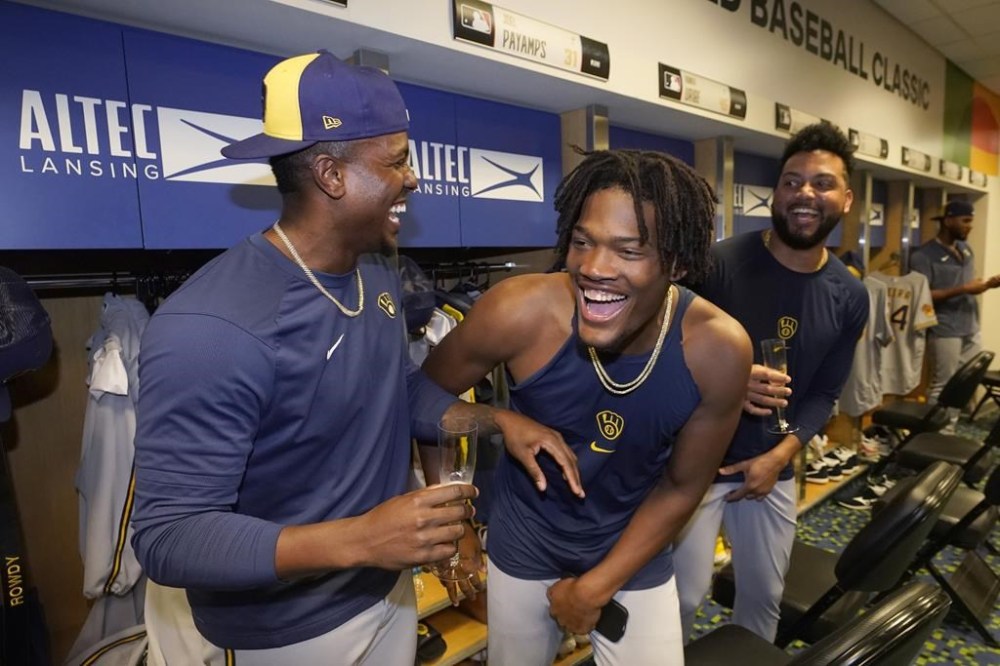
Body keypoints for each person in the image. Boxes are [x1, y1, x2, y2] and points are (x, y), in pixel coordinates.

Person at [130, 50, 581, 664]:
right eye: (396, 160)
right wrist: (364, 538)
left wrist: (497, 420)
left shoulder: (377, 273)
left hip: (384, 591)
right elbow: (170, 538)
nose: (414, 179)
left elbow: (394, 391)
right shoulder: (211, 326)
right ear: (331, 174)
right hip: (281, 633)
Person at [422, 148, 753, 664]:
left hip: (631, 549)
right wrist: (455, 522)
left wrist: (596, 588)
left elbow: (683, 485)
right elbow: (424, 399)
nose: (594, 268)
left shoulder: (718, 348)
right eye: (582, 242)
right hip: (524, 544)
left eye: (629, 250)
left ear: (678, 263)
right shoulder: (518, 309)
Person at [673, 122, 869, 643]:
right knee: (683, 598)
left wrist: (780, 457)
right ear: (777, 191)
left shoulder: (849, 296)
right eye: (792, 181)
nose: (805, 193)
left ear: (845, 199)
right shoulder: (716, 265)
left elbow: (825, 392)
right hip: (693, 465)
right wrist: (730, 379)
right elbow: (658, 354)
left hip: (770, 470)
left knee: (763, 600)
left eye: (822, 183)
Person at [910, 200, 1000, 430]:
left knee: (965, 383)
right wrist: (964, 289)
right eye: (966, 221)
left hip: (970, 325)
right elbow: (922, 295)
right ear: (948, 220)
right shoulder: (924, 255)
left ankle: (950, 429)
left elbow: (968, 283)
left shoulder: (965, 249)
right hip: (945, 328)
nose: (970, 226)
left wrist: (988, 284)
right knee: (943, 384)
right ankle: (931, 434)